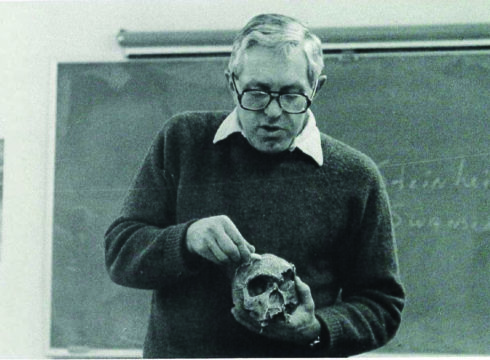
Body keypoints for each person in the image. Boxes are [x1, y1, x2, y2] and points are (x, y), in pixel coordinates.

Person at [105, 13, 405, 358]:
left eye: (292, 95)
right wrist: (186, 239)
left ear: (316, 88)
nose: (273, 112)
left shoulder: (356, 176)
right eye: (257, 92)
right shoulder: (183, 141)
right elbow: (120, 252)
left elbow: (382, 305)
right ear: (232, 82)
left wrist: (316, 329)